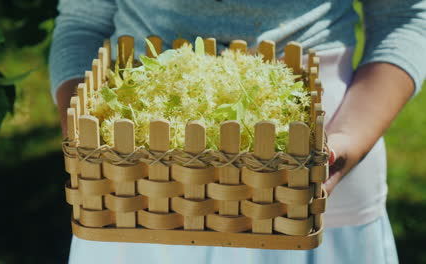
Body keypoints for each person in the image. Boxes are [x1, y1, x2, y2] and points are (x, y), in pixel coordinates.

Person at [49, 0, 426, 263]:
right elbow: (82, 21)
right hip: (133, 190)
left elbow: (406, 16)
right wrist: (84, 139)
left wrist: (349, 139)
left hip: (314, 165)